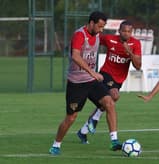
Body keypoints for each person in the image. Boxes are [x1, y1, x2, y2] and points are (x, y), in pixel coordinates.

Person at [49, 11, 122, 155]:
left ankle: (114, 141)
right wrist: (93, 72)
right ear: (91, 23)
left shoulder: (97, 35)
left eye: (103, 27)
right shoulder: (79, 35)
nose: (101, 30)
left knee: (109, 102)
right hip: (76, 83)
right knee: (71, 117)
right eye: (100, 26)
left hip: (91, 81)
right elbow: (75, 56)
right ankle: (56, 145)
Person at [76, 20, 142, 143]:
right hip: (106, 73)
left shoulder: (136, 44)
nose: (126, 33)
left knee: (111, 100)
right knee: (114, 95)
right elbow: (93, 37)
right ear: (119, 31)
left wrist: (130, 53)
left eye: (129, 31)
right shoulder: (110, 39)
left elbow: (138, 66)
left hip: (119, 79)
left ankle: (84, 130)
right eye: (124, 31)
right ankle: (96, 122)